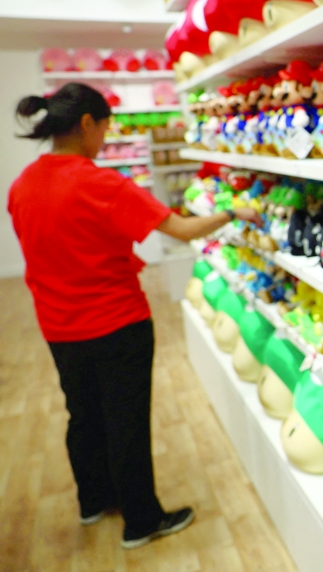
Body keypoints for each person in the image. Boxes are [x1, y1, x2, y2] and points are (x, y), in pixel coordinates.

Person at [7, 83, 261, 549]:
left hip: (59, 325)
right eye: (104, 127)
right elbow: (182, 230)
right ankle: (142, 520)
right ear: (87, 124)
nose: (104, 138)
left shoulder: (22, 185)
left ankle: (92, 501)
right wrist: (232, 212)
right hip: (116, 321)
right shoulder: (101, 184)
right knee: (126, 420)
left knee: (81, 415)